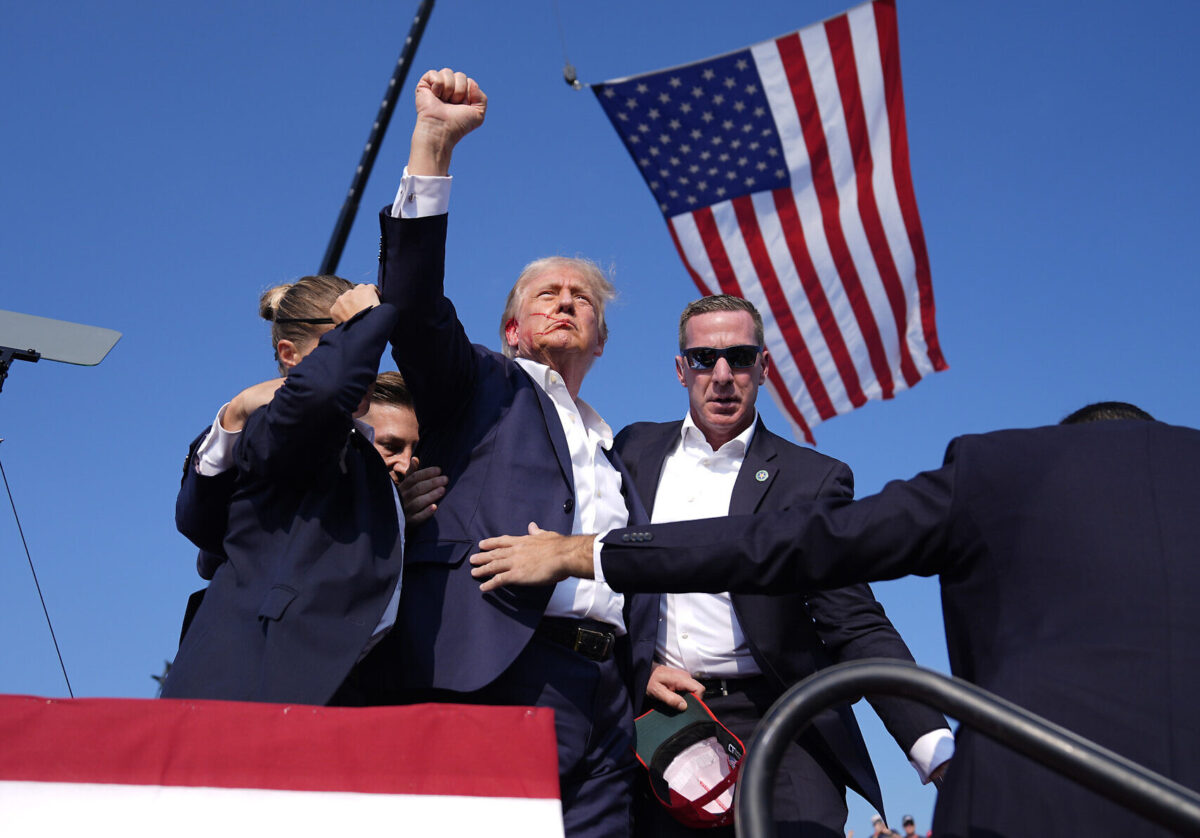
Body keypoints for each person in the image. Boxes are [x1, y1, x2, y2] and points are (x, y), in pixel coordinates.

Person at [469, 403, 1200, 836]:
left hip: (1032, 788)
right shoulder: (633, 449)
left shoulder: (999, 470)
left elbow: (800, 551)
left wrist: (587, 553)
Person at [370, 68, 657, 838]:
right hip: (500, 665)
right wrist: (434, 145)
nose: (567, 303)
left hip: (608, 698)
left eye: (582, 299)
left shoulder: (614, 446)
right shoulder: (482, 386)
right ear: (512, 330)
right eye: (547, 296)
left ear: (600, 336)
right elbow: (414, 304)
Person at [616, 295, 951, 837]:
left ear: (765, 368)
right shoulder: (632, 452)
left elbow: (855, 621)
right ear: (680, 370)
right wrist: (637, 668)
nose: (722, 375)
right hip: (665, 720)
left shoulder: (811, 480)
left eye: (740, 357)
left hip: (784, 723)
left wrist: (936, 750)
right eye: (704, 359)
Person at [164, 276, 405, 706]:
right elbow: (325, 391)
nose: (366, 360)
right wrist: (368, 320)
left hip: (322, 692)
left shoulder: (358, 459)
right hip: (253, 684)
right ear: (289, 357)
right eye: (345, 341)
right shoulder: (274, 423)